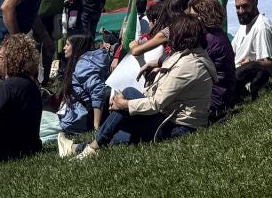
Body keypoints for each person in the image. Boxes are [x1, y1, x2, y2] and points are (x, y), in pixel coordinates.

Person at [84, 11, 213, 152]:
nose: (169, 36)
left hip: (178, 128)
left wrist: (124, 104)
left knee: (128, 97)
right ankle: (89, 146)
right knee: (121, 121)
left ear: (181, 36)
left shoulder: (187, 66)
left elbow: (156, 103)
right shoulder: (194, 55)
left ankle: (92, 147)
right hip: (177, 121)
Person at [0, 33, 43, 169]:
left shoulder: (6, 86)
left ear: (7, 60)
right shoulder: (31, 84)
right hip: (29, 148)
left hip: (2, 154)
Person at [52, 32, 111, 148]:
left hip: (78, 119)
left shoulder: (83, 65)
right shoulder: (84, 61)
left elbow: (98, 91)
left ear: (77, 46)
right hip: (78, 115)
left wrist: (96, 126)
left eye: (67, 44)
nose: (64, 48)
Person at [189, 0, 237, 120]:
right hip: (221, 94)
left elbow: (191, 69)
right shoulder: (214, 34)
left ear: (203, 17)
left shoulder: (209, 41)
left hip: (215, 101)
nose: (189, 21)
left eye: (192, 17)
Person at [229, 0, 272, 100]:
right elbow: (231, 52)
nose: (241, 11)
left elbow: (269, 65)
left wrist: (251, 64)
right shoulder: (245, 24)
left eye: (245, 6)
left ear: (256, 3)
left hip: (245, 81)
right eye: (237, 7)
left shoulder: (261, 27)